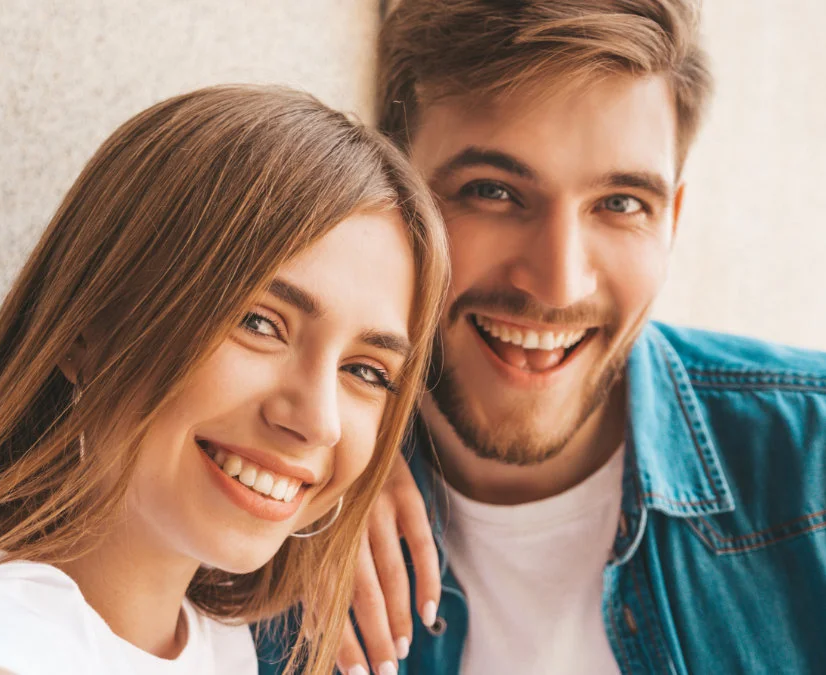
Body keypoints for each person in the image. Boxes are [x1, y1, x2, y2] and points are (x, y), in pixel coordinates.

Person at [255, 2, 826, 674]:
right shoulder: (273, 491)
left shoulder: (811, 459)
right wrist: (305, 485)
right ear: (391, 195)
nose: (559, 284)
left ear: (670, 219)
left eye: (620, 204)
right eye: (493, 191)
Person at [0, 85, 450, 675]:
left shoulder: (216, 645)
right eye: (260, 323)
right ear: (86, 329)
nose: (317, 421)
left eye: (365, 371)